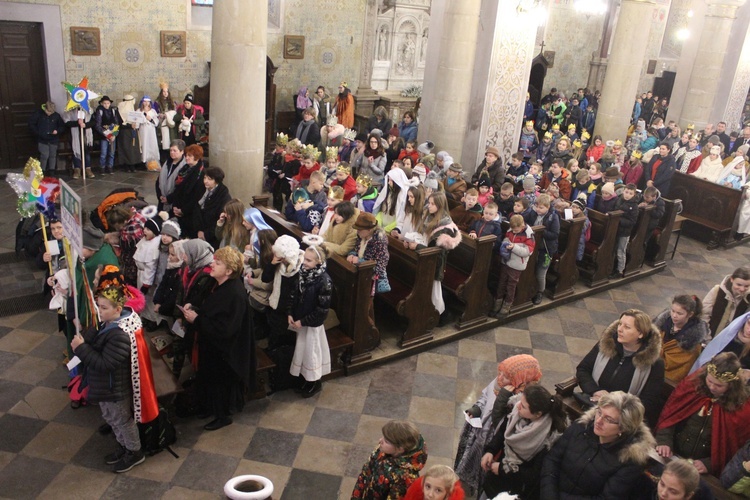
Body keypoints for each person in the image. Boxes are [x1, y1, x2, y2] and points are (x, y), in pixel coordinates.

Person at [70, 274, 156, 473]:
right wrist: (87, 335)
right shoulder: (109, 323)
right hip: (106, 386)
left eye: (103, 308)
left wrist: (81, 349)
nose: (99, 311)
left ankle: (134, 452)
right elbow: (95, 337)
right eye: (99, 306)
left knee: (123, 421)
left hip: (115, 387)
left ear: (118, 309)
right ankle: (124, 446)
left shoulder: (120, 335)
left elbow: (105, 364)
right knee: (110, 417)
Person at [181, 246, 253, 431]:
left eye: (217, 263)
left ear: (228, 271)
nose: (212, 264)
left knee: (220, 384)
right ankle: (208, 407)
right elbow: (209, 307)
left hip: (226, 352)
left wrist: (196, 319)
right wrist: (194, 307)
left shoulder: (234, 294)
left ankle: (222, 415)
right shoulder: (216, 283)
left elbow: (225, 329)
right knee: (208, 379)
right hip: (211, 346)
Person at [540, 391, 656, 499]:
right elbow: (552, 460)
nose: (598, 421)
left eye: (608, 419)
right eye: (599, 412)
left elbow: (606, 497)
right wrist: (549, 495)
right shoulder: (581, 426)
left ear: (624, 427)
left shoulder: (630, 460)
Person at [455, 354, 542, 496]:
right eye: (499, 373)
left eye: (505, 376)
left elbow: (500, 422)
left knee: (483, 471)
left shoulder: (521, 402)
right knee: (470, 460)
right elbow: (485, 396)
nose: (500, 378)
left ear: (520, 381)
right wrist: (476, 409)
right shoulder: (499, 383)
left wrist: (502, 396)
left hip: (493, 441)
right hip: (478, 432)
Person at [656, 352, 750, 476]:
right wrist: (664, 441)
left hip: (702, 470)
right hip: (672, 453)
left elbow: (733, 447)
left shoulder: (741, 408)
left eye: (719, 385)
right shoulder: (691, 386)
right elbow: (669, 415)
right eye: (709, 381)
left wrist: (709, 464)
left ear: (732, 386)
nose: (712, 387)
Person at [576, 309, 665, 428]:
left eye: (627, 327)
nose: (620, 329)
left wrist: (616, 406)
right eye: (620, 324)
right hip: (591, 403)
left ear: (640, 334)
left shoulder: (654, 364)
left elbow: (649, 401)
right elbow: (583, 369)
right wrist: (595, 391)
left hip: (621, 419)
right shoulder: (606, 344)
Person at [480, 384, 567, 500]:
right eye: (521, 401)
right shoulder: (516, 411)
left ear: (538, 414)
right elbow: (502, 432)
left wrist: (502, 470)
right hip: (496, 478)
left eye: (524, 406)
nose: (518, 406)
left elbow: (534, 475)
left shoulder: (548, 440)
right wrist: (490, 451)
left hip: (516, 490)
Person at [408, 192, 461, 321]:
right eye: (429, 203)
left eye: (432, 204)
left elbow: (436, 253)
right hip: (426, 259)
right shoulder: (430, 217)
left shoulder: (445, 229)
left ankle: (438, 316)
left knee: (435, 294)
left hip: (436, 265)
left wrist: (417, 247)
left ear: (440, 206)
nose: (429, 206)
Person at [287, 244, 332, 397]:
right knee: (302, 351)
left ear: (318, 262)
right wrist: (290, 313)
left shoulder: (324, 280)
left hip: (312, 324)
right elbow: (294, 295)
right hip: (300, 320)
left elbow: (322, 310)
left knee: (312, 353)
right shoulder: (302, 273)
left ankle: (315, 381)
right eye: (304, 259)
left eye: (309, 260)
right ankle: (305, 379)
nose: (304, 262)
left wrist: (304, 321)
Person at [171, 239, 216, 377]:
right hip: (183, 313)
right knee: (178, 342)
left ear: (195, 254)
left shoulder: (208, 274)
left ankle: (191, 376)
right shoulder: (188, 266)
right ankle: (175, 374)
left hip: (194, 318)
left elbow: (199, 300)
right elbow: (181, 291)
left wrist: (185, 320)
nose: (183, 256)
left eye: (186, 253)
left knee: (192, 348)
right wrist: (178, 315)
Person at [352, 420, 427, 499]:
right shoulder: (381, 450)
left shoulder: (405, 477)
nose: (380, 441)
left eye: (386, 441)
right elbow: (365, 473)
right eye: (383, 437)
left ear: (400, 449)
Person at [654, 295, 710, 382]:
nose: (674, 316)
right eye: (673, 311)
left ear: (690, 314)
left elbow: (677, 366)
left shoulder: (692, 340)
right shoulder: (663, 324)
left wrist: (654, 351)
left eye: (679, 313)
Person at [491, 214, 535, 318]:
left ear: (522, 225)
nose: (513, 232)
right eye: (512, 230)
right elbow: (506, 237)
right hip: (506, 261)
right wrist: (505, 243)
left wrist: (514, 247)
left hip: (517, 264)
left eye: (516, 230)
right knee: (501, 283)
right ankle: (497, 304)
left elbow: (528, 251)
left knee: (511, 285)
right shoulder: (511, 228)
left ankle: (507, 306)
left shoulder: (529, 235)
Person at [265, 235, 304, 349]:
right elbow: (265, 278)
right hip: (277, 306)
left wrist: (290, 312)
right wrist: (272, 264)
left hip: (290, 311)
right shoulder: (277, 262)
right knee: (274, 337)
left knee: (288, 342)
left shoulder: (301, 269)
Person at [347, 212, 390, 295]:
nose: (357, 231)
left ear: (369, 230)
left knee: (366, 303)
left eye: (360, 229)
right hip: (358, 274)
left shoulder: (380, 241)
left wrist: (360, 261)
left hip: (370, 279)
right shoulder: (361, 236)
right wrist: (351, 254)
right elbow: (356, 249)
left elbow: (380, 266)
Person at [169, 143, 206, 238]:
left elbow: (197, 196)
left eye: (190, 156)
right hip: (179, 207)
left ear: (196, 157)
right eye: (186, 155)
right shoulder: (185, 169)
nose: (186, 158)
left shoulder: (200, 174)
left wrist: (183, 210)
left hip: (189, 213)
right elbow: (178, 189)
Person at [702, 267, 750, 337]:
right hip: (711, 336)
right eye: (738, 285)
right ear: (731, 279)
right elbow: (704, 315)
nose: (742, 289)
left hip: (735, 340)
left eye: (746, 286)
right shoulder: (717, 291)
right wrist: (707, 337)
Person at [531, 194, 559, 305]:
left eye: (541, 207)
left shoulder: (553, 217)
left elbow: (555, 234)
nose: (538, 209)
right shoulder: (533, 213)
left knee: (540, 272)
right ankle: (531, 289)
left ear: (547, 207)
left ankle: (540, 292)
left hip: (547, 249)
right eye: (536, 206)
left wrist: (541, 232)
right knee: (531, 270)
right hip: (534, 246)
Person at [196, 166, 232, 249]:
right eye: (205, 178)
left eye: (209, 179)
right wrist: (199, 230)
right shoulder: (203, 190)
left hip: (213, 237)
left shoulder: (223, 196)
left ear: (216, 180)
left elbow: (221, 219)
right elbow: (197, 210)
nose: (205, 181)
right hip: (200, 231)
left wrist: (206, 234)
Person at [28, 100, 66, 175]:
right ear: (45, 108)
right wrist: (38, 133)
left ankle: (52, 171)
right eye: (48, 111)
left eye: (51, 112)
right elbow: (31, 124)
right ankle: (43, 171)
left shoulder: (56, 116)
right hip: (42, 139)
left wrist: (57, 131)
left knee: (53, 155)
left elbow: (62, 126)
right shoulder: (38, 114)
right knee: (44, 155)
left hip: (53, 139)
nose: (49, 113)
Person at [93, 96, 122, 175]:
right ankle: (102, 167)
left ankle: (110, 167)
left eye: (108, 103)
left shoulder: (113, 111)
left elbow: (117, 123)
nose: (106, 105)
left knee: (112, 152)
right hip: (104, 135)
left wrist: (114, 135)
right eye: (104, 103)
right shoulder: (99, 111)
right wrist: (106, 134)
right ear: (102, 104)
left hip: (112, 134)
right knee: (103, 152)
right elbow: (98, 125)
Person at [156, 139, 187, 213]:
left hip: (174, 203)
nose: (172, 152)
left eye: (175, 150)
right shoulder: (167, 163)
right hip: (162, 200)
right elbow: (158, 181)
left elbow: (181, 188)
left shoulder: (185, 166)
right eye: (171, 150)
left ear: (182, 151)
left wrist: (169, 199)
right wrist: (160, 195)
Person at [116, 94, 142, 173]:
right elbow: (120, 122)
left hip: (132, 131)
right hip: (124, 132)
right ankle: (126, 165)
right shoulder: (120, 110)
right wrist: (129, 125)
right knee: (126, 148)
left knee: (133, 148)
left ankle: (132, 165)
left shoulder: (132, 110)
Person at [137, 96, 160, 167]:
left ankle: (152, 160)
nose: (146, 103)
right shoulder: (139, 111)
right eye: (145, 101)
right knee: (143, 144)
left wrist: (150, 119)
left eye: (148, 101)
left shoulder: (153, 111)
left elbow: (156, 122)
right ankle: (143, 160)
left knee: (151, 143)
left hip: (151, 130)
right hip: (143, 130)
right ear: (142, 102)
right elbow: (136, 121)